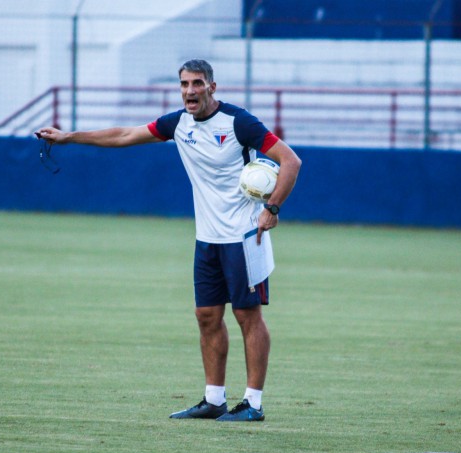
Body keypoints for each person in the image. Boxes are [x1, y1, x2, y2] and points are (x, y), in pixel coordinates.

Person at [38, 59, 301, 422]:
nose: (189, 91)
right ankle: (214, 400)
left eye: (197, 83)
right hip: (206, 238)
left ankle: (253, 404)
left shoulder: (239, 122)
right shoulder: (178, 123)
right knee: (207, 316)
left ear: (212, 86)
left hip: (244, 235)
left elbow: (290, 161)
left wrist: (272, 209)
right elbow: (124, 135)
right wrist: (68, 137)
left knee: (246, 315)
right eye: (184, 84)